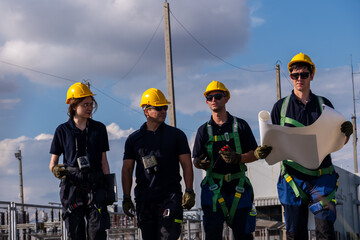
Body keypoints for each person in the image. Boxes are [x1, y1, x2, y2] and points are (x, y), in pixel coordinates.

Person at [270, 52, 353, 240]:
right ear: (290, 77)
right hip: (293, 179)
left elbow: (338, 142)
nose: (299, 79)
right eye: (295, 75)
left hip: (321, 178)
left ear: (312, 76)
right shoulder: (280, 108)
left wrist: (346, 134)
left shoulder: (324, 106)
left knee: (325, 231)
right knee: (294, 233)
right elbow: (272, 141)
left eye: (304, 75)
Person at [192, 80, 272, 240]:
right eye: (210, 97)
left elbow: (255, 153)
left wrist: (239, 158)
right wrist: (200, 163)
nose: (214, 100)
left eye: (218, 96)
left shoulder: (240, 126)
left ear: (226, 98)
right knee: (212, 235)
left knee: (244, 235)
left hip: (238, 187)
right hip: (214, 190)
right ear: (207, 101)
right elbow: (196, 159)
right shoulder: (203, 131)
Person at [122, 88, 195, 240]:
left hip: (170, 197)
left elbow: (187, 164)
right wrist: (127, 197)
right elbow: (127, 169)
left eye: (165, 108)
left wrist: (189, 190)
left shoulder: (176, 135)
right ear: (146, 111)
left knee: (168, 236)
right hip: (145, 199)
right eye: (159, 108)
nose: (163, 111)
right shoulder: (134, 139)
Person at [49, 82, 111, 240]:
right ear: (73, 105)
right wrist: (56, 170)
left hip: (96, 186)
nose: (90, 107)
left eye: (91, 104)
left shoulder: (99, 129)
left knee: (97, 233)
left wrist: (110, 188)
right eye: (85, 104)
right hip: (72, 188)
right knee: (75, 233)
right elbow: (53, 164)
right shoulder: (62, 131)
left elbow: (104, 161)